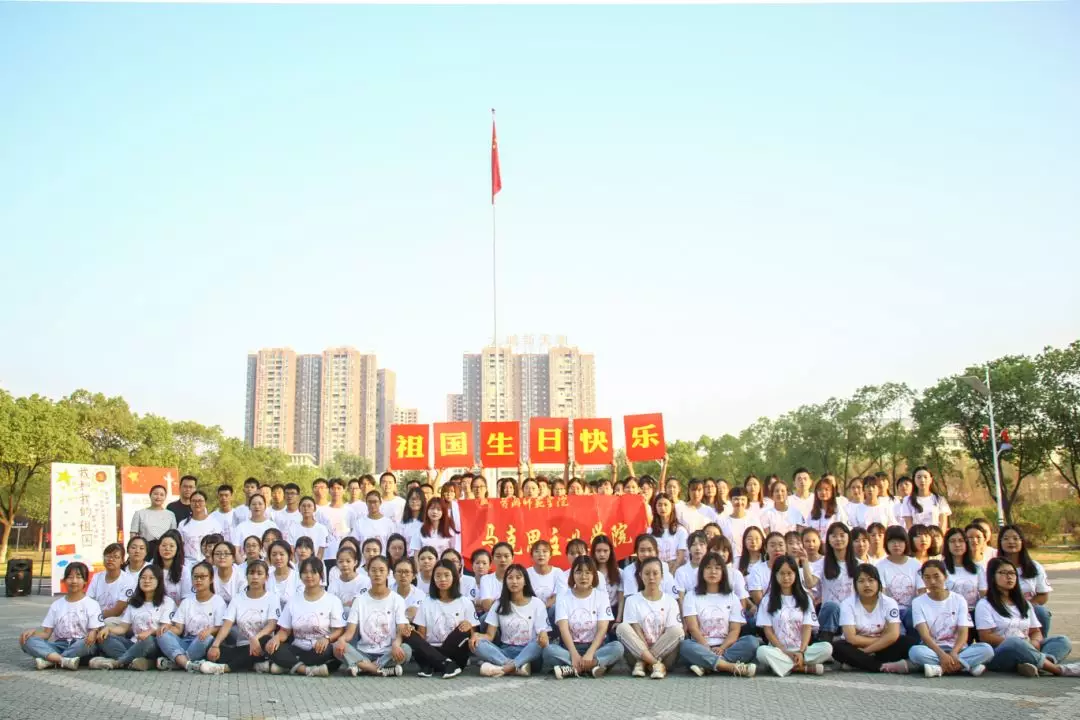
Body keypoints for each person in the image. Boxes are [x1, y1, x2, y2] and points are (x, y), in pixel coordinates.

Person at [976, 557, 1080, 676]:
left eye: (1012, 573)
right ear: (992, 577)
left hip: (1027, 645)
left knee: (1062, 640)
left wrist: (1034, 642)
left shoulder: (1024, 603)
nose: (1009, 577)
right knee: (1014, 642)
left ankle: (1037, 664)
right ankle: (1058, 670)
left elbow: (1035, 631)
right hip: (1000, 654)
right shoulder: (984, 604)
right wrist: (1021, 645)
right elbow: (985, 636)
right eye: (1003, 573)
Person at [679, 552, 759, 678]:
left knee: (752, 642)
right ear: (701, 571)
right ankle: (731, 667)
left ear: (723, 572)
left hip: (727, 647)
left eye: (717, 568)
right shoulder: (691, 596)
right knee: (685, 646)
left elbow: (735, 630)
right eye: (708, 567)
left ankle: (707, 665)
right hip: (701, 646)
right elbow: (692, 628)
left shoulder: (732, 597)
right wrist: (705, 646)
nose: (713, 572)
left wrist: (722, 648)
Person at [907, 559, 993, 677]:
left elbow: (963, 632)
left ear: (945, 577)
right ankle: (964, 666)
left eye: (936, 576)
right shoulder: (918, 602)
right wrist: (942, 655)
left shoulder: (959, 599)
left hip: (959, 649)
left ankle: (940, 668)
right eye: (927, 577)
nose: (932, 581)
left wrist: (954, 653)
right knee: (915, 652)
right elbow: (925, 635)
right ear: (922, 579)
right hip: (933, 650)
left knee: (987, 649)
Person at [262, 557, 345, 676]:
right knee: (266, 641)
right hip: (297, 647)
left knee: (329, 651)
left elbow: (339, 630)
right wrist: (276, 638)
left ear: (321, 575)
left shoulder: (332, 600)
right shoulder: (293, 600)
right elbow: (285, 631)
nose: (309, 576)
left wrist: (327, 638)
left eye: (313, 572)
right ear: (300, 576)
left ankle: (285, 665)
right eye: (305, 572)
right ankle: (305, 669)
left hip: (319, 648)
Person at [543, 555, 623, 679]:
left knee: (618, 647)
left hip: (596, 648)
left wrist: (590, 653)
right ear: (572, 575)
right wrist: (574, 654)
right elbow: (563, 629)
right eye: (578, 572)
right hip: (570, 648)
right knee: (549, 651)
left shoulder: (601, 596)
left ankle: (573, 668)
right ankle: (592, 667)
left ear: (594, 575)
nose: (583, 576)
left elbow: (602, 629)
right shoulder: (563, 597)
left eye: (588, 572)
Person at [198, 560, 281, 674]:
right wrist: (215, 645)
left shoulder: (272, 598)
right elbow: (227, 625)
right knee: (214, 649)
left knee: (265, 639)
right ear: (246, 576)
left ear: (266, 577)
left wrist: (256, 638)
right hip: (243, 646)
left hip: (261, 644)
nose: (255, 577)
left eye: (259, 573)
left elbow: (272, 625)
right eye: (251, 573)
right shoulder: (238, 598)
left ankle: (225, 668)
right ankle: (255, 665)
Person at [830, 563, 916, 673]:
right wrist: (882, 640)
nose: (867, 585)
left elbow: (893, 634)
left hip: (881, 647)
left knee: (908, 642)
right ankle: (880, 666)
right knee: (837, 647)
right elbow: (851, 638)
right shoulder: (847, 604)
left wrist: (866, 651)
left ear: (878, 583)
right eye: (861, 581)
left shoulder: (889, 602)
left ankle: (858, 662)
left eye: (871, 580)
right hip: (856, 646)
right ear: (855, 585)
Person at [755, 556, 832, 677]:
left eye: (789, 573)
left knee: (827, 648)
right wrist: (784, 651)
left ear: (796, 574)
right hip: (778, 650)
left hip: (802, 650)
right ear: (775, 575)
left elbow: (807, 627)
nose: (786, 578)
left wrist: (801, 652)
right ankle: (803, 668)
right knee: (761, 652)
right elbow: (768, 632)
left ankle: (784, 666)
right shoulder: (767, 600)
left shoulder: (805, 598)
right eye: (782, 573)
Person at [335, 555, 412, 677]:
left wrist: (396, 644)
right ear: (368, 573)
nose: (377, 574)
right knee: (337, 646)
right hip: (363, 651)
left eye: (381, 570)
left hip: (388, 652)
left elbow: (400, 630)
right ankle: (377, 669)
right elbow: (349, 633)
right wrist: (341, 640)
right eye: (374, 570)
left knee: (406, 649)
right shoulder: (359, 600)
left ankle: (361, 667)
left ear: (388, 573)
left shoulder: (397, 600)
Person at [20, 562, 103, 670]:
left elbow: (94, 631)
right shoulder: (56, 605)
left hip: (81, 646)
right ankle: (63, 660)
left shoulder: (92, 604)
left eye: (78, 577)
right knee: (28, 640)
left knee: (87, 644)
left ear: (85, 581)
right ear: (64, 580)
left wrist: (94, 632)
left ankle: (50, 660)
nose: (74, 581)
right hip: (60, 645)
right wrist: (33, 634)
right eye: (70, 577)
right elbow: (46, 634)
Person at [90, 564, 174, 670]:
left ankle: (117, 662)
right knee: (104, 638)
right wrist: (108, 629)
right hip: (134, 643)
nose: (146, 581)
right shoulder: (134, 603)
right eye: (143, 578)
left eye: (151, 578)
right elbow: (122, 628)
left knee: (148, 640)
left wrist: (150, 632)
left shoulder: (167, 602)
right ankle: (140, 662)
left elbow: (165, 628)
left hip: (153, 643)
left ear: (159, 581)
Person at [475, 564, 550, 677]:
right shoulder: (499, 604)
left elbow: (542, 634)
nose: (514, 581)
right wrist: (477, 636)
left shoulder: (537, 603)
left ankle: (504, 668)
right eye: (510, 578)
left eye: (518, 577)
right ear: (505, 582)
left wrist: (543, 635)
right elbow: (490, 636)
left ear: (525, 581)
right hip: (506, 652)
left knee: (538, 643)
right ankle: (515, 667)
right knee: (478, 644)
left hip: (529, 654)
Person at [408, 559, 477, 678]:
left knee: (464, 628)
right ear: (433, 579)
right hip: (430, 648)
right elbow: (422, 635)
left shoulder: (465, 602)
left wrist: (469, 628)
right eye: (438, 576)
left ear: (454, 577)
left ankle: (432, 665)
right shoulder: (426, 602)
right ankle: (445, 664)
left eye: (446, 575)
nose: (442, 579)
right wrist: (411, 631)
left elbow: (474, 634)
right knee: (408, 633)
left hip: (454, 653)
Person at [617, 557, 684, 679]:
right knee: (622, 627)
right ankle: (655, 664)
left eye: (655, 573)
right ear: (640, 576)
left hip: (665, 656)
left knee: (678, 631)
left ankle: (644, 663)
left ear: (662, 576)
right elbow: (635, 629)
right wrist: (645, 652)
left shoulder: (671, 601)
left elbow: (669, 631)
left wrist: (649, 654)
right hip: (637, 655)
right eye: (647, 573)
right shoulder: (632, 600)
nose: (651, 577)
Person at [156, 561, 227, 671]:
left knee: (207, 638)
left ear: (211, 579)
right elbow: (178, 629)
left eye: (203, 577)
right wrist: (168, 628)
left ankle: (178, 663)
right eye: (195, 577)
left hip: (202, 642)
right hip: (186, 642)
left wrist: (210, 630)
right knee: (162, 634)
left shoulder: (218, 601)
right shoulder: (187, 601)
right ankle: (187, 664)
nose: (198, 580)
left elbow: (220, 627)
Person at [997, 525, 1052, 635]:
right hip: (1002, 609)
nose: (1011, 542)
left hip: (1028, 607)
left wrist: (1026, 607)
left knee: (1041, 612)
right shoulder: (993, 567)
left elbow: (1043, 595)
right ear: (1000, 542)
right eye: (1006, 538)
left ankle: (1040, 641)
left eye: (1015, 538)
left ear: (1022, 541)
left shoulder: (1035, 567)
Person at [617, 535, 679, 624]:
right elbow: (631, 600)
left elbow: (672, 598)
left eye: (650, 550)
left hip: (662, 615)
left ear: (656, 552)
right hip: (639, 616)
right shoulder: (629, 571)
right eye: (642, 550)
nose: (646, 554)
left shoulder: (664, 568)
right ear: (636, 552)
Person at [875, 526, 924, 633]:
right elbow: (882, 594)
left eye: (900, 541)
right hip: (889, 611)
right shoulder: (880, 566)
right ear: (886, 544)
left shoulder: (916, 564)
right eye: (892, 541)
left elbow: (922, 592)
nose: (896, 544)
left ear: (906, 543)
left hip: (911, 611)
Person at [817, 522, 859, 641]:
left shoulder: (859, 565)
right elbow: (810, 584)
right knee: (832, 606)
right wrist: (804, 562)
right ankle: (825, 641)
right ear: (828, 540)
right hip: (829, 615)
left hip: (851, 615)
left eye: (842, 535)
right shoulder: (821, 564)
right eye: (834, 536)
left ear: (848, 538)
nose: (838, 539)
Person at [88, 543, 136, 621]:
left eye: (116, 557)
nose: (111, 559)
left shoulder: (128, 580)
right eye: (108, 556)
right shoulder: (97, 577)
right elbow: (89, 602)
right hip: (96, 618)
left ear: (122, 561)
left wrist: (96, 617)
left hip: (118, 620)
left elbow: (117, 611)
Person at [943, 527, 986, 613]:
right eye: (952, 541)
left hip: (974, 612)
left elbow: (983, 595)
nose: (957, 544)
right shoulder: (941, 568)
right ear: (947, 545)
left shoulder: (977, 568)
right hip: (950, 612)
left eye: (961, 541)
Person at [316, 479, 352, 575]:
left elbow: (353, 534)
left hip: (346, 556)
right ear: (329, 490)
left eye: (339, 488)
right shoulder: (321, 512)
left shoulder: (350, 512)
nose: (336, 491)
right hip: (327, 555)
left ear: (344, 490)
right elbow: (318, 534)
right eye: (333, 488)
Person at [130, 484, 177, 557]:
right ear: (150, 495)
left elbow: (173, 535)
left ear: (165, 497)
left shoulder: (170, 514)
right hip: (145, 550)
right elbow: (133, 535)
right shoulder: (139, 513)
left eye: (162, 495)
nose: (158, 497)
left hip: (164, 550)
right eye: (155, 494)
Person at [177, 491, 224, 563]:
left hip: (210, 563)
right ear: (190, 503)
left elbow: (220, 546)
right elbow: (179, 546)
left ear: (205, 503)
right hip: (188, 563)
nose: (197, 504)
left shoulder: (215, 523)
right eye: (194, 501)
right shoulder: (183, 524)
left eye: (200, 501)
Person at [900, 467, 951, 531]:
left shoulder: (940, 499)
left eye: (925, 477)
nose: (922, 480)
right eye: (919, 477)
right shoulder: (907, 500)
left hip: (935, 535)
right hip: (917, 535)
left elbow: (943, 524)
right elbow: (909, 525)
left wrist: (938, 536)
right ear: (914, 480)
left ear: (931, 479)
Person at [526, 540, 563, 626]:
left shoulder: (557, 572)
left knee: (556, 608)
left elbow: (561, 593)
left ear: (550, 555)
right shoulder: (526, 573)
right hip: (532, 611)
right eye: (537, 551)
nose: (541, 554)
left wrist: (547, 604)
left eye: (545, 551)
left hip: (551, 611)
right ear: (532, 555)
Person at [719, 488, 761, 562]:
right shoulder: (723, 521)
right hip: (730, 561)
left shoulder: (753, 519)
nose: (739, 502)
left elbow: (760, 539)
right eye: (736, 499)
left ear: (747, 500)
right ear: (730, 500)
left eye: (743, 499)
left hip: (750, 560)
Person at [651, 493, 688, 574]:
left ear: (672, 506)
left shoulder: (680, 530)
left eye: (665, 505)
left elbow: (681, 555)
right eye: (659, 505)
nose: (662, 508)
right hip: (656, 570)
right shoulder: (650, 530)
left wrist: (672, 572)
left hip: (676, 569)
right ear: (655, 507)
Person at [232, 494, 277, 560]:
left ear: (265, 506)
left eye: (260, 504)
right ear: (249, 507)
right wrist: (243, 565)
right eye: (254, 504)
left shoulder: (272, 526)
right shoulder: (241, 527)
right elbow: (235, 551)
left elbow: (278, 547)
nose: (257, 506)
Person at [327, 547, 371, 614]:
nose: (344, 564)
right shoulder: (333, 585)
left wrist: (344, 605)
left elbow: (362, 603)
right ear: (337, 564)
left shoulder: (365, 581)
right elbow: (331, 607)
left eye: (348, 561)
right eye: (341, 562)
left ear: (355, 562)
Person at [285, 496, 330, 561]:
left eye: (309, 506)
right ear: (299, 509)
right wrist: (295, 565)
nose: (306, 508)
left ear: (314, 509)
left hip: (316, 565)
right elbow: (292, 552)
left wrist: (314, 566)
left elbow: (320, 553)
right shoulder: (293, 528)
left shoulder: (322, 529)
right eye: (303, 506)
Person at [154, 530, 191, 604]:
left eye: (171, 546)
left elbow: (186, 598)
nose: (167, 549)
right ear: (158, 547)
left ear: (177, 549)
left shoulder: (184, 571)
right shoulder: (151, 569)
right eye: (164, 545)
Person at [480, 542, 514, 614]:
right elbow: (487, 606)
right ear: (492, 558)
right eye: (498, 556)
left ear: (512, 558)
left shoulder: (518, 580)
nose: (502, 560)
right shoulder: (486, 579)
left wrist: (494, 601)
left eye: (506, 556)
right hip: (492, 616)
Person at [267, 540, 300, 610]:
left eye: (282, 554)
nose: (278, 558)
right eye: (274, 555)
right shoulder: (266, 579)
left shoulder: (298, 578)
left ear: (289, 556)